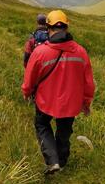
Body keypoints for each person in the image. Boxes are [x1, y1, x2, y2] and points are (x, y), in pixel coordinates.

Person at [22, 10, 95, 175]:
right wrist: (86, 102)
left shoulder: (40, 53)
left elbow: (29, 78)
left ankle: (52, 160)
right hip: (71, 103)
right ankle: (61, 162)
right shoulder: (81, 52)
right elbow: (88, 82)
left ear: (48, 28)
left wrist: (26, 92)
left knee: (42, 124)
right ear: (66, 28)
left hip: (45, 101)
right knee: (64, 131)